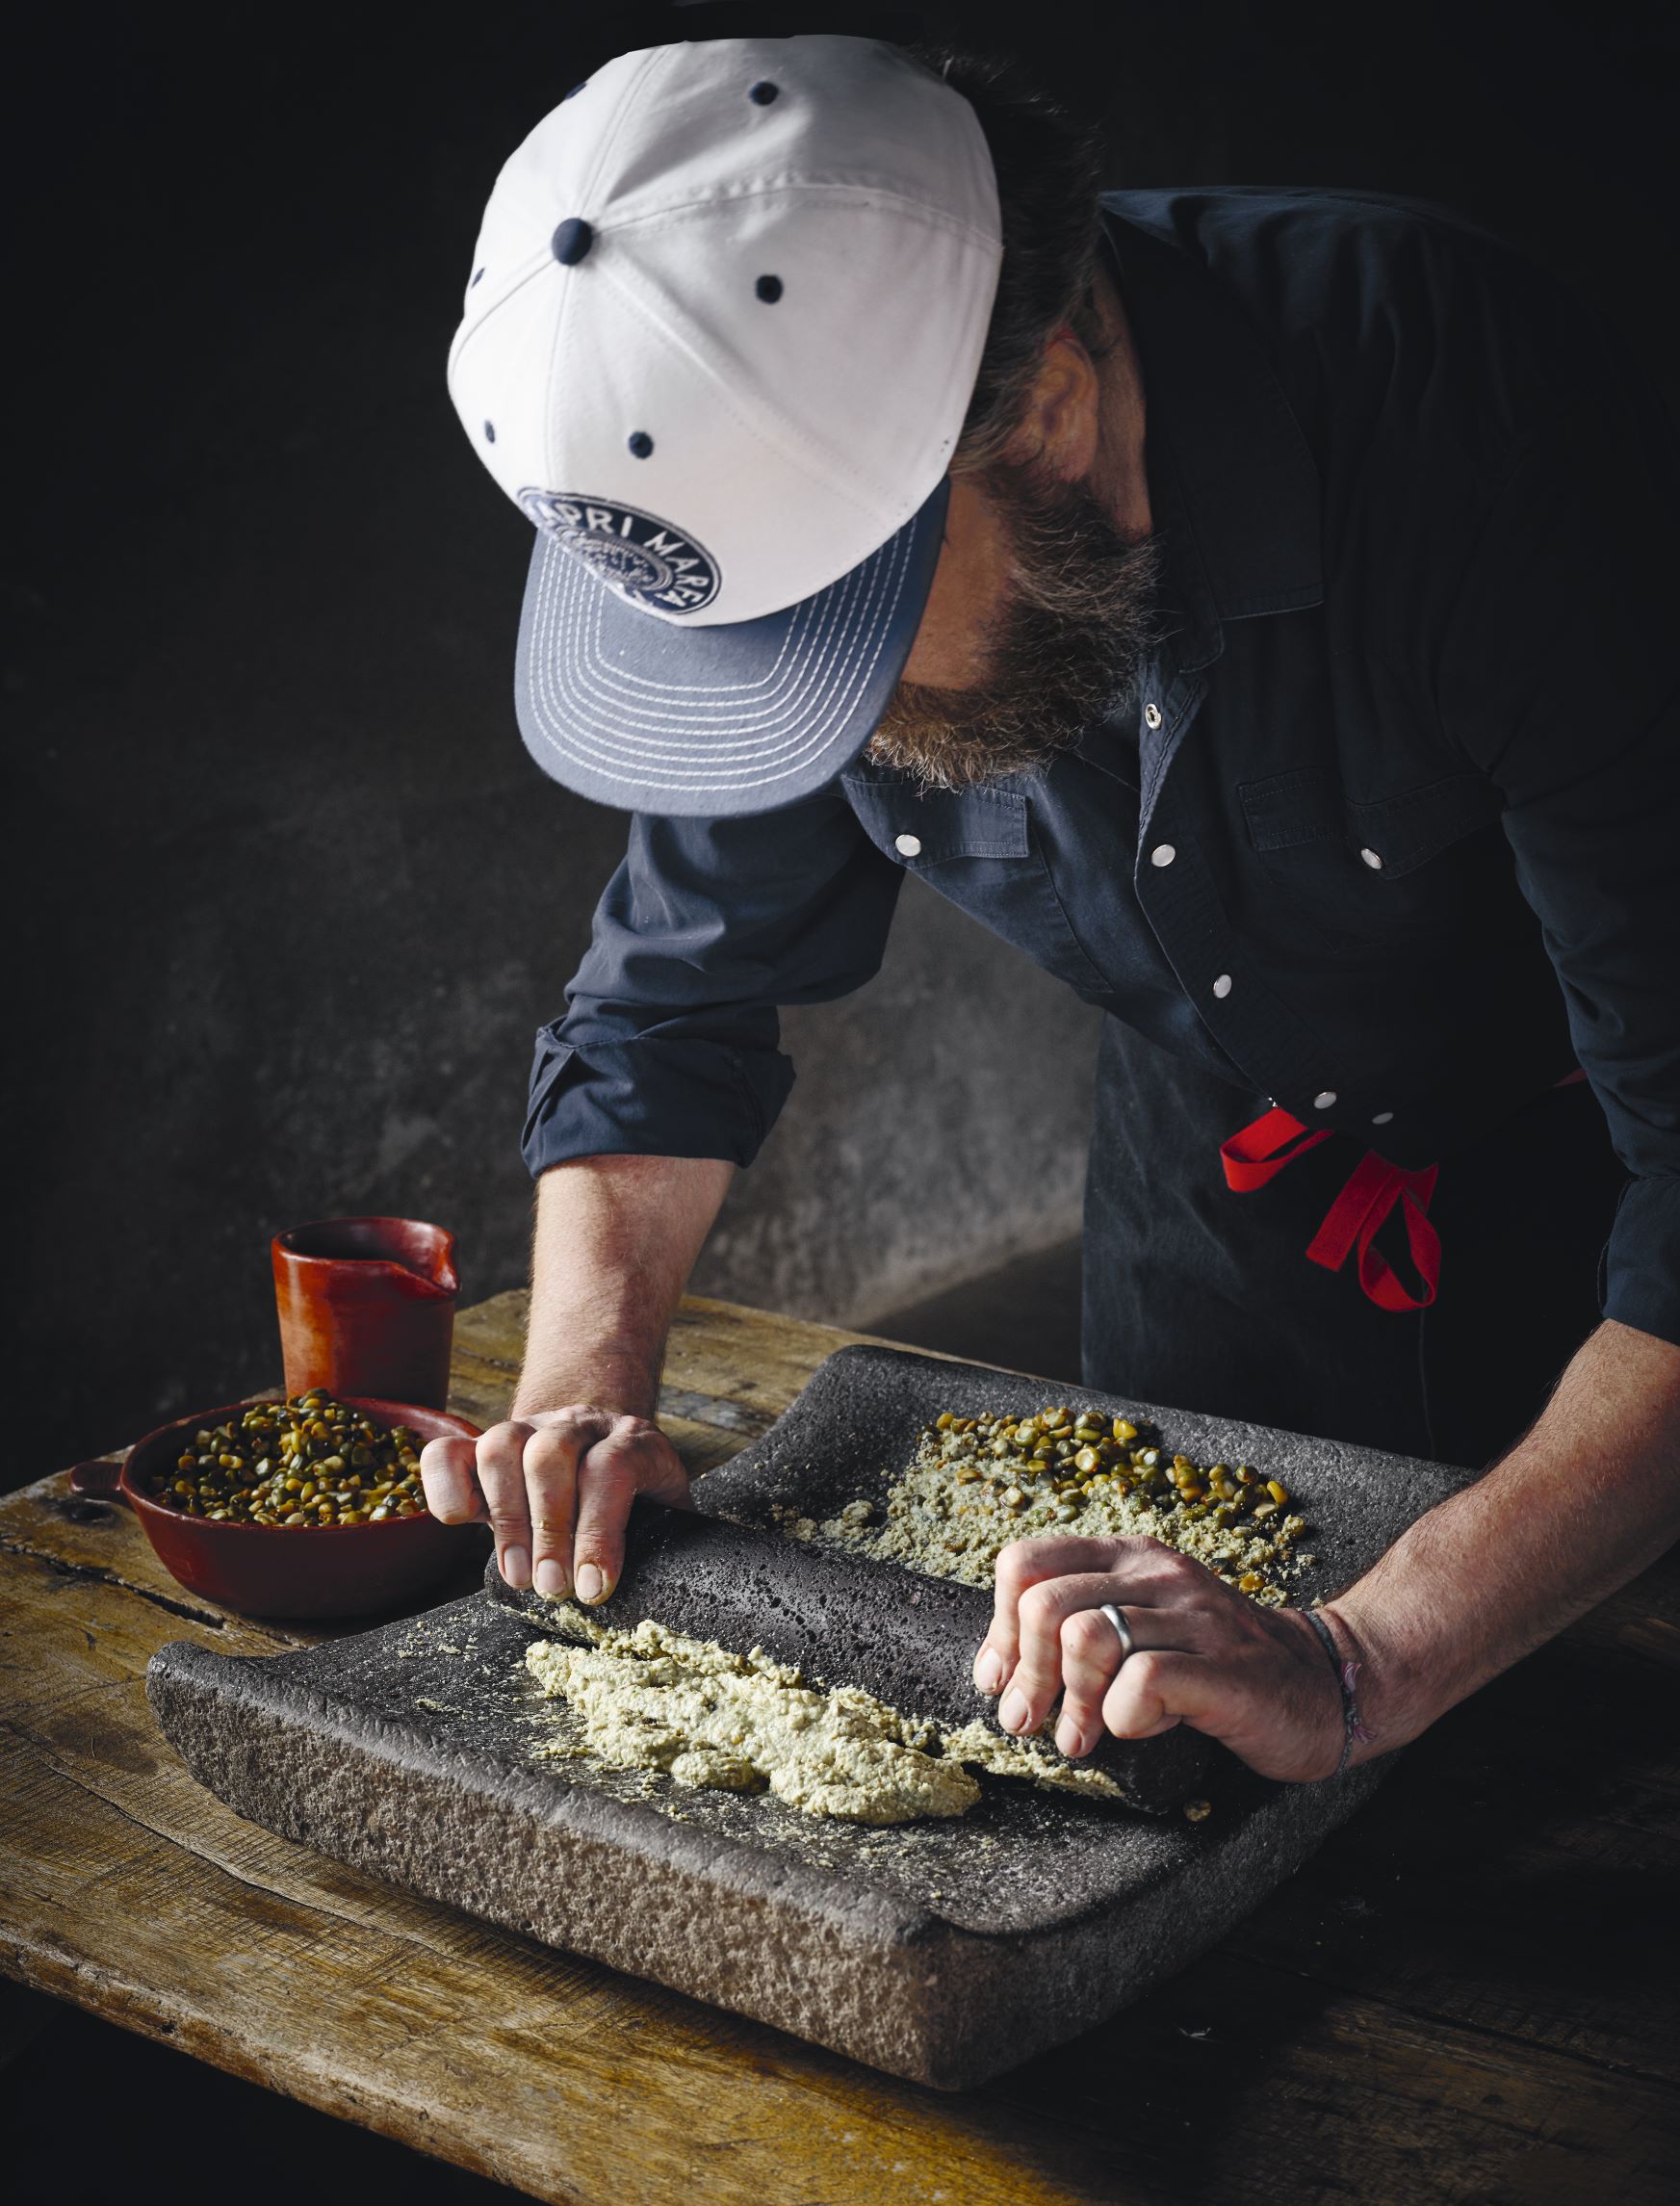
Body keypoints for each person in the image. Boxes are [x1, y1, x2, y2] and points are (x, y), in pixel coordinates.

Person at [420, 34, 1680, 1783]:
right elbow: (669, 1002)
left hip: (1611, 1271)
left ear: (1048, 404)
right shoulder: (792, 491)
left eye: (832, 645)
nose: (814, 729)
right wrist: (581, 1382)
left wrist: (1366, 1663)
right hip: (1220, 1198)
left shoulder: (1483, 422)